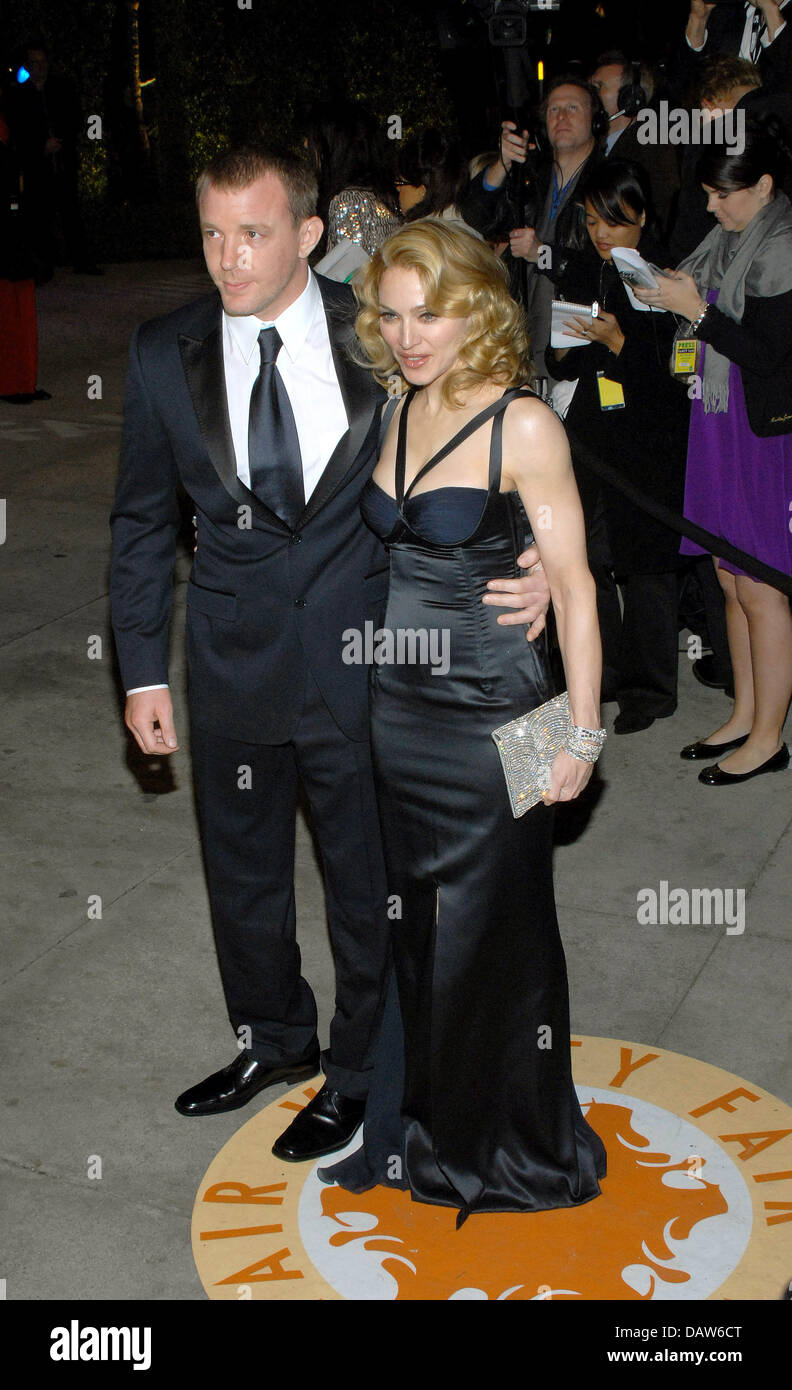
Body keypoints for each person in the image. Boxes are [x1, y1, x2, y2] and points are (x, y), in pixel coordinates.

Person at [109, 145, 550, 1161]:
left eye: (253, 234)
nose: (229, 259)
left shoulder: (381, 341)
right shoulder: (158, 351)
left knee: (366, 884)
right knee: (244, 875)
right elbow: (140, 524)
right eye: (213, 233)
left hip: (368, 662)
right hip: (229, 663)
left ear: (309, 235)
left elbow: (506, 436)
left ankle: (358, 1072)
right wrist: (140, 668)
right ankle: (272, 1037)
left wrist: (533, 557)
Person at [321, 218, 607, 1223]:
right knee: (428, 938)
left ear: (478, 307)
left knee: (504, 934)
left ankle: (522, 1149)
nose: (409, 335)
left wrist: (581, 731)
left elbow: (571, 584)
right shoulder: (400, 403)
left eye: (430, 313)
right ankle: (438, 1133)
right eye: (392, 315)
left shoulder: (521, 423)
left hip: (505, 715)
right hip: (399, 714)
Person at [634, 120, 792, 785]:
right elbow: (702, 304)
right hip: (718, 423)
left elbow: (767, 355)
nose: (710, 207)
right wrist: (664, 294)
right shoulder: (727, 237)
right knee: (730, 579)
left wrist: (695, 311)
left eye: (722, 195)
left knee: (760, 586)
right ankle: (746, 713)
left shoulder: (782, 244)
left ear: (762, 185)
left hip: (760, 434)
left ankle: (769, 737)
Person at [547, 161, 690, 734]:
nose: (601, 231)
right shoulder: (587, 269)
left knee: (648, 568)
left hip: (647, 441)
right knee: (590, 558)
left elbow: (671, 380)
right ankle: (598, 674)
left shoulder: (662, 280)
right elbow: (570, 359)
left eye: (614, 220)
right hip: (592, 432)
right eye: (590, 219)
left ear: (642, 218)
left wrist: (619, 339)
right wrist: (564, 347)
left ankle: (650, 690)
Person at [460, 75, 605, 379]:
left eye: (572, 108)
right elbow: (477, 215)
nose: (561, 117)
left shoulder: (609, 179)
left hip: (581, 347)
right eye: (553, 110)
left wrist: (542, 253)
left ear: (594, 118)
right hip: (527, 341)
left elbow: (606, 270)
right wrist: (502, 164)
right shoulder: (533, 179)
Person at [589, 51, 679, 238]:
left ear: (630, 98)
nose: (589, 96)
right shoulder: (594, 145)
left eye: (599, 87)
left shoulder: (653, 147)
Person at [304, 101, 401, 259]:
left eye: (312, 138)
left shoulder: (347, 201)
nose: (306, 144)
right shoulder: (380, 194)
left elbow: (350, 274)